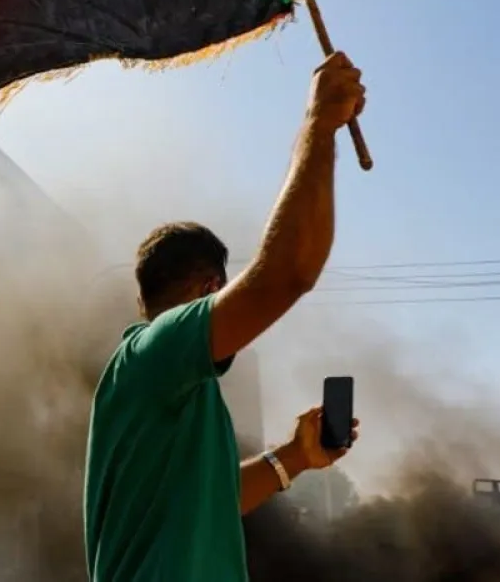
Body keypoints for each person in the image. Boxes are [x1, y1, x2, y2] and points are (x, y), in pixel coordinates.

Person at [83, 52, 367, 582]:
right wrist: (319, 124)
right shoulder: (155, 349)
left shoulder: (172, 385)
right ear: (210, 287)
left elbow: (213, 500)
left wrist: (295, 457)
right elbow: (289, 273)